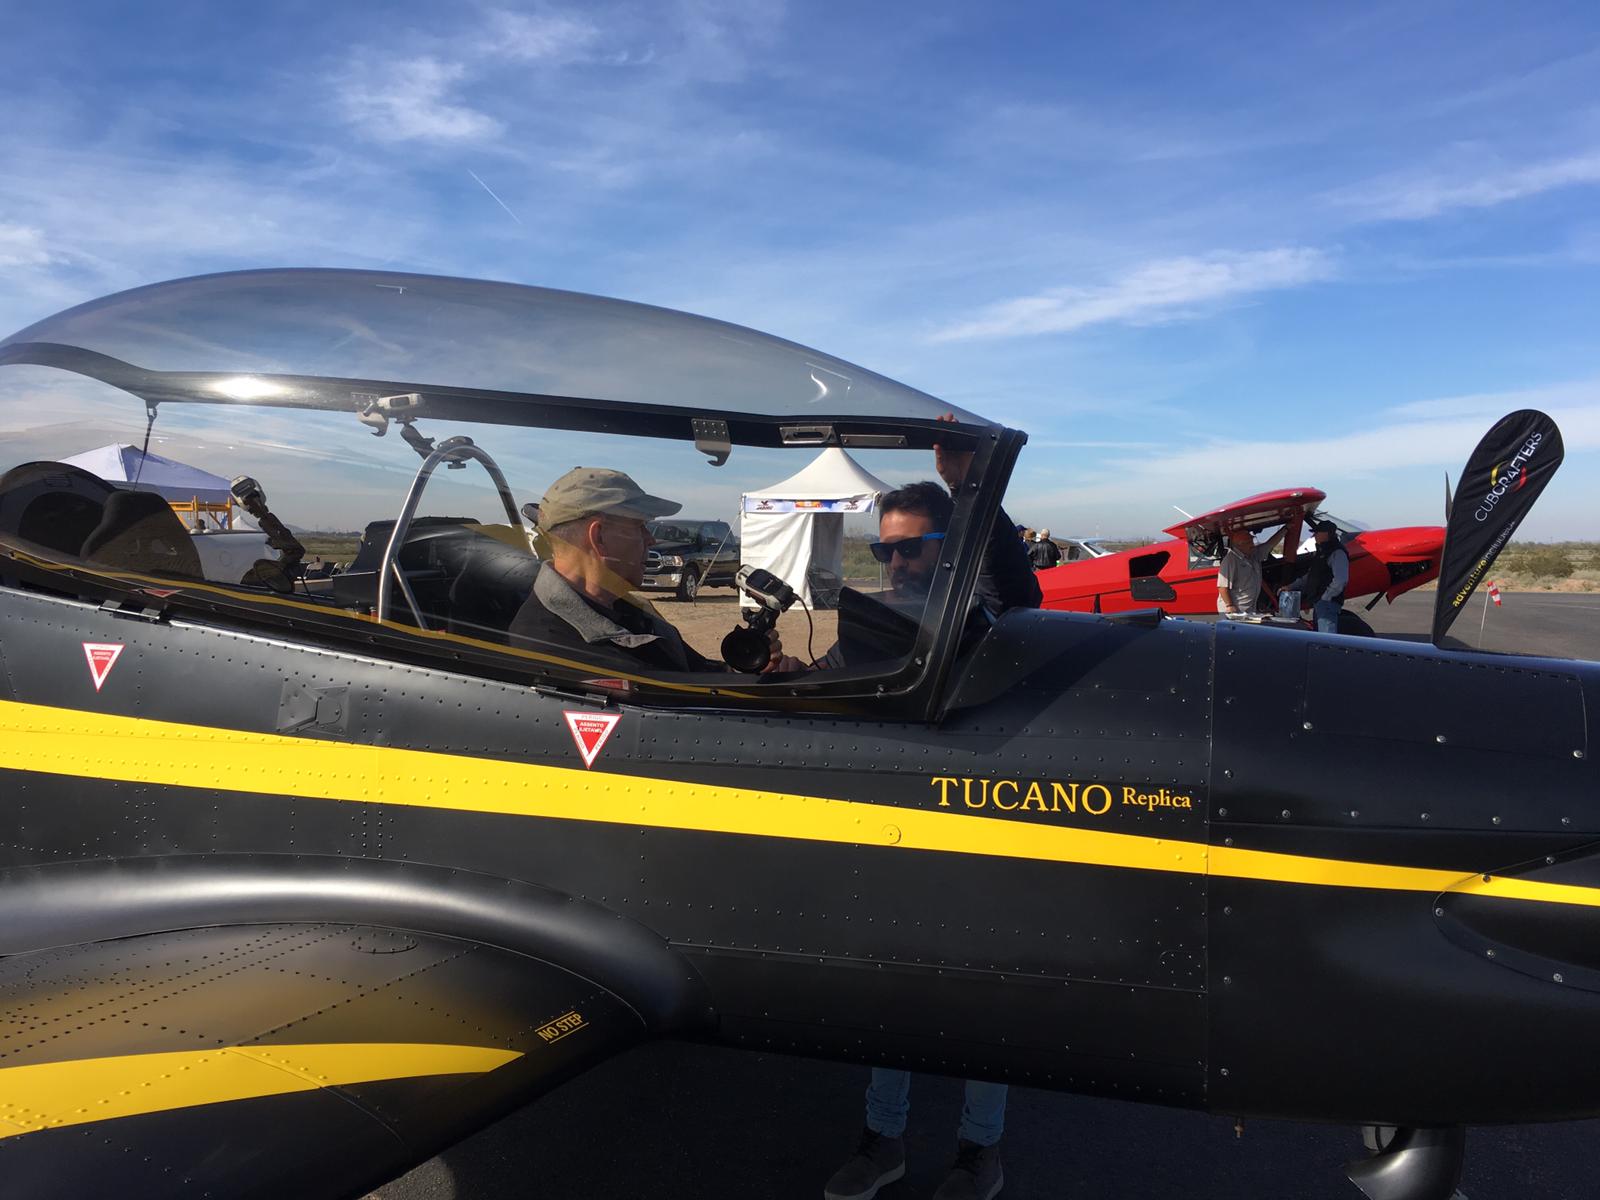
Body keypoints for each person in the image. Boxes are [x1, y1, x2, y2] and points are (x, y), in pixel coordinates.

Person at [507, 466, 797, 672]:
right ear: (599, 537)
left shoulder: (625, 608)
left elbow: (692, 675)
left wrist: (748, 669)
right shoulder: (555, 647)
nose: (651, 539)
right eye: (640, 526)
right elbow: (677, 711)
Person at [1285, 519, 1349, 633]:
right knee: (1320, 636)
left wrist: (1326, 597)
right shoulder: (1322, 552)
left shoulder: (1337, 552)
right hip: (1320, 602)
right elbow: (1311, 575)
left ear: (1326, 534)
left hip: (1326, 603)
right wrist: (1291, 586)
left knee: (1327, 638)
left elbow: (1340, 580)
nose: (1314, 535)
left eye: (1317, 532)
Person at [1215, 526, 1286, 616]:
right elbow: (1222, 587)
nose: (1252, 545)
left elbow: (1269, 545)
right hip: (1235, 610)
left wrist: (1285, 529)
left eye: (1252, 541)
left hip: (1248, 610)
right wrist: (1230, 605)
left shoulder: (1253, 554)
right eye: (1249, 542)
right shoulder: (1230, 560)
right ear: (1240, 545)